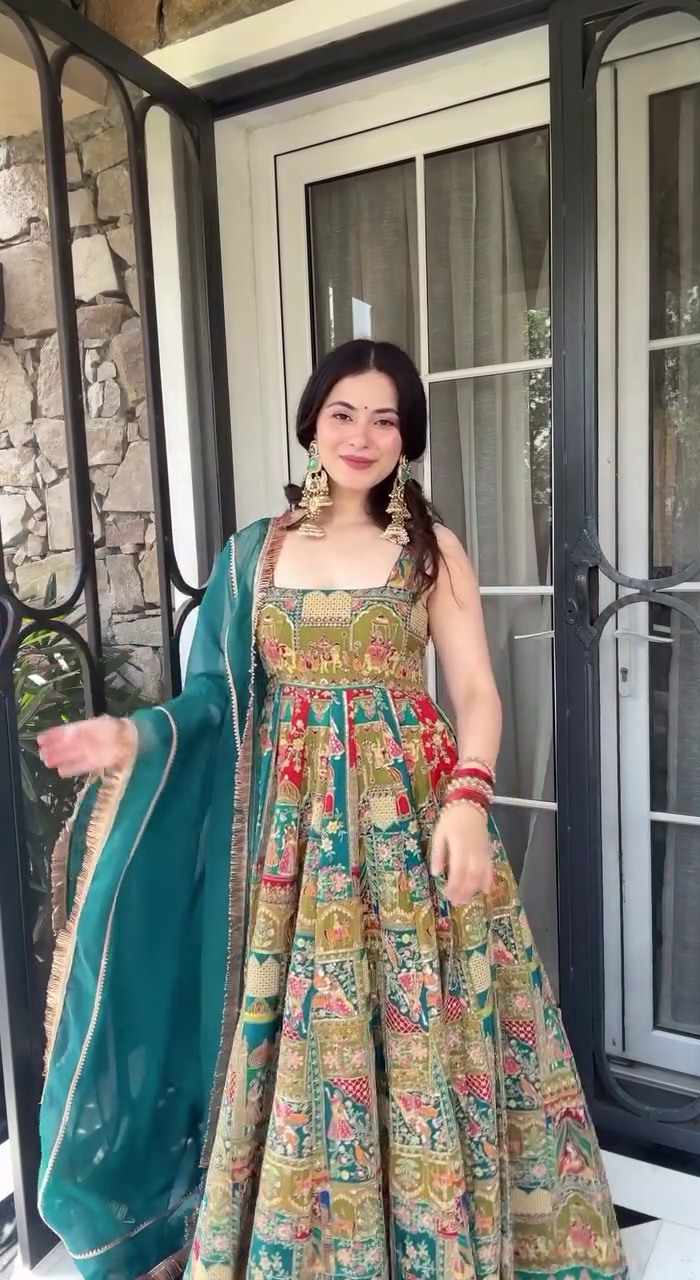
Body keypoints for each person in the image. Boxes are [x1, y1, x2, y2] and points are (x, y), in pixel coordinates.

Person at [38, 340, 628, 1280]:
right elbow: (215, 702)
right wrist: (134, 739)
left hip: (412, 824)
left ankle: (438, 1237)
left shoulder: (430, 548)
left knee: (425, 1024)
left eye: (386, 419)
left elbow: (477, 693)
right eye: (345, 413)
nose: (363, 435)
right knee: (308, 1033)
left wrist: (470, 798)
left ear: (407, 438)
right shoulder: (255, 555)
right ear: (312, 422)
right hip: (295, 843)